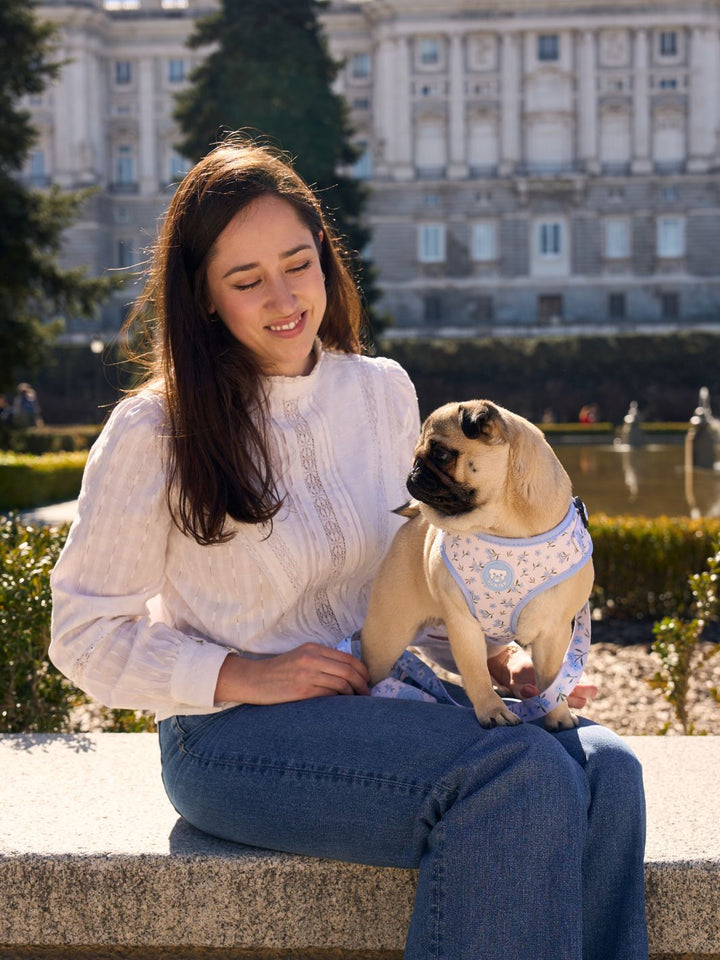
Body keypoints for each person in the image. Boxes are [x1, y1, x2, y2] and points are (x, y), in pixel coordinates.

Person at [49, 139, 648, 960]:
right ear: (204, 297)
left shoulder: (381, 390)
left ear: (327, 259)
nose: (285, 297)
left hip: (382, 693)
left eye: (299, 263)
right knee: (521, 778)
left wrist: (491, 655)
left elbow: (410, 577)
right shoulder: (156, 430)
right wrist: (246, 674)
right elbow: (81, 635)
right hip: (229, 735)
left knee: (610, 771)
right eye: (246, 279)